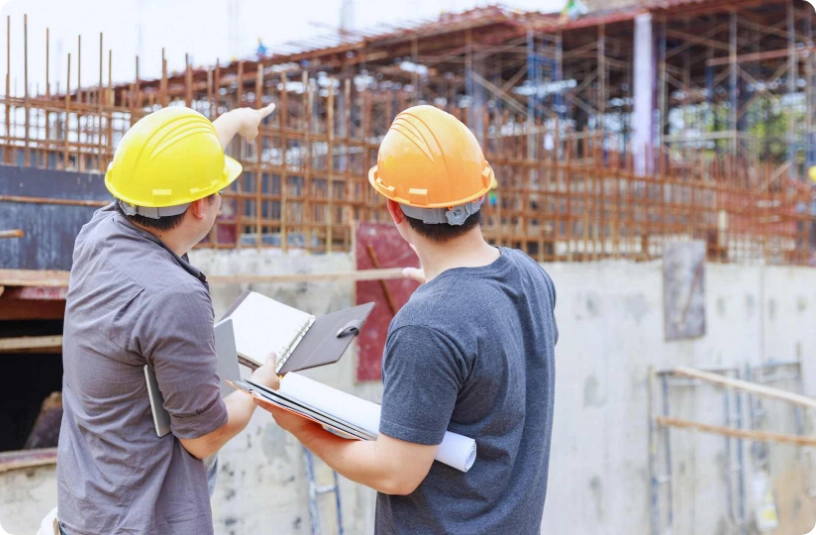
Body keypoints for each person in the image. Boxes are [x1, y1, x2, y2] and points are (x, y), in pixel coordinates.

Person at [257, 105, 559, 534]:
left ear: (394, 210)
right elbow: (498, 357)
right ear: (480, 194)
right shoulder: (530, 276)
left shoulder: (428, 325)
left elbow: (396, 473)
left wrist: (300, 425)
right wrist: (450, 295)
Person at [57, 104, 280, 535]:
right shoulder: (176, 296)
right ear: (200, 207)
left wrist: (235, 121)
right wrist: (258, 391)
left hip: (88, 508)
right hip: (142, 520)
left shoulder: (99, 233)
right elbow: (204, 438)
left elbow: (166, 170)